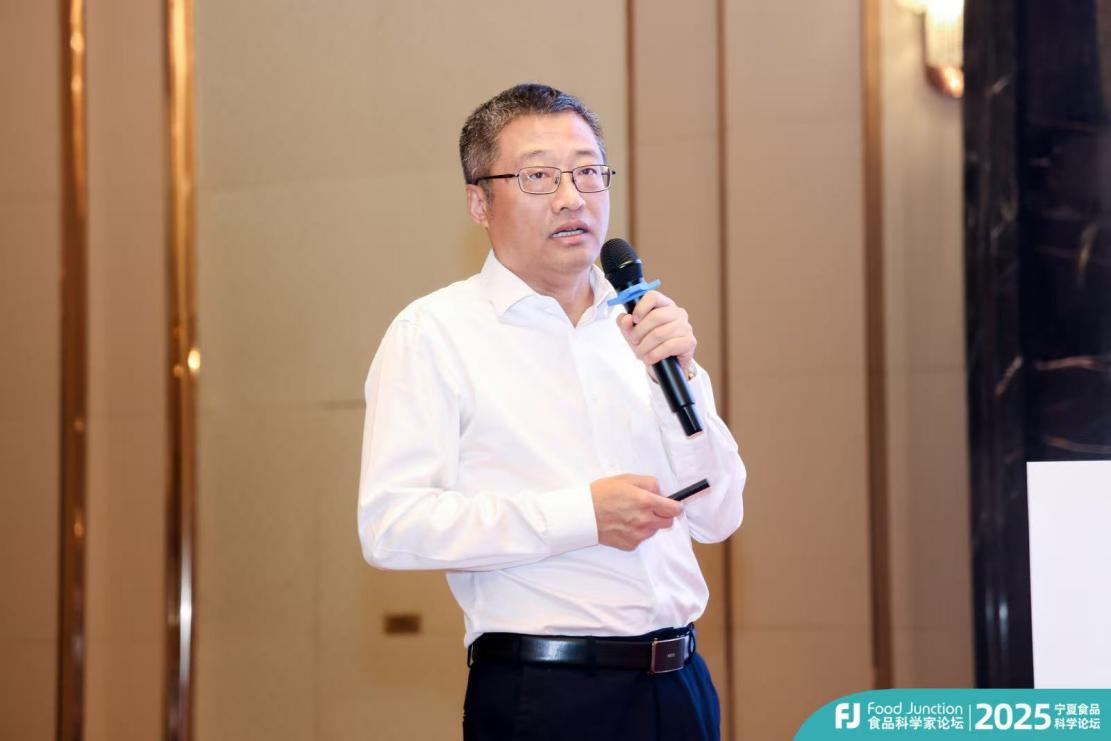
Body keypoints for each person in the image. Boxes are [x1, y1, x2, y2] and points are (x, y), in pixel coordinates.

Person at [357, 82, 746, 741]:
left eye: (588, 171)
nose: (572, 197)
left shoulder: (644, 323)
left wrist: (677, 374)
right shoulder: (434, 332)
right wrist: (581, 516)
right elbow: (391, 526)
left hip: (681, 686)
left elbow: (719, 513)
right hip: (547, 694)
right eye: (538, 176)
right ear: (479, 202)